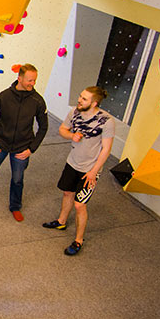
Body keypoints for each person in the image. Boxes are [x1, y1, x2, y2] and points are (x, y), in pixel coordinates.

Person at [42, 86, 115, 255]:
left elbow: (106, 149)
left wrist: (93, 171)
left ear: (94, 102)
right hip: (72, 162)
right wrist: (71, 136)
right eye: (80, 96)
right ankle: (61, 221)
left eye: (84, 99)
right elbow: (62, 129)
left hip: (90, 169)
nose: (79, 100)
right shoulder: (75, 112)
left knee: (80, 205)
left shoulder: (106, 121)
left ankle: (78, 240)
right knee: (67, 193)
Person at [0, 64, 48, 222]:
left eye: (34, 80)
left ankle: (15, 206)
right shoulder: (4, 96)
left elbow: (44, 126)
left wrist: (31, 149)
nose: (32, 84)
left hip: (22, 148)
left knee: (17, 179)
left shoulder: (38, 101)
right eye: (29, 80)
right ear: (19, 78)